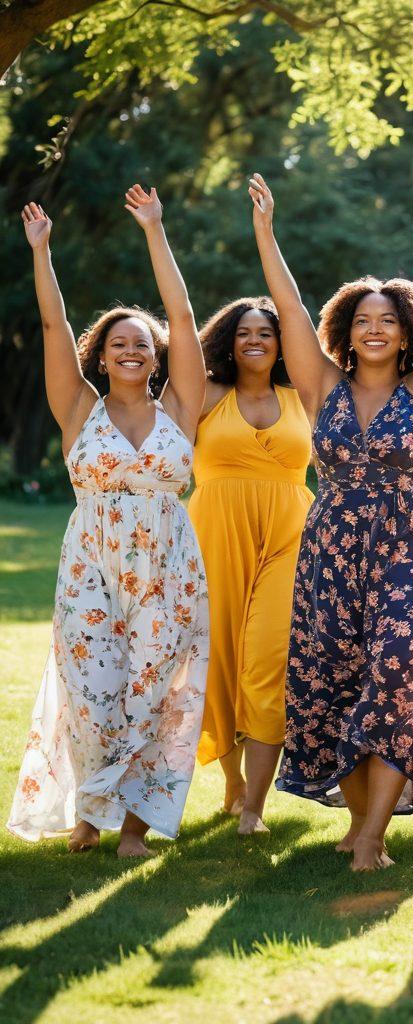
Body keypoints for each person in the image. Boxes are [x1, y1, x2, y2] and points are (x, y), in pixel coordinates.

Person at [248, 173, 413, 871]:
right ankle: (360, 820)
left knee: (399, 671)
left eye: (387, 320)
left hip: (410, 542)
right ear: (348, 330)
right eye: (363, 319)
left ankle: (371, 836)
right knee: (331, 674)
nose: (374, 328)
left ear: (406, 333)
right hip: (332, 542)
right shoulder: (323, 387)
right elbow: (288, 306)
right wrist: (267, 231)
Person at [8, 187, 208, 857]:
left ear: (156, 357)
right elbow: (51, 325)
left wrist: (156, 228)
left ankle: (132, 830)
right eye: (119, 343)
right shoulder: (77, 409)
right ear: (103, 355)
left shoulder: (182, 405)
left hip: (166, 566)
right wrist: (42, 252)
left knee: (152, 690)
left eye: (142, 344)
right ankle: (85, 816)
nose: (132, 350)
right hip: (90, 562)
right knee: (91, 691)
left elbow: (180, 314)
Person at [189, 296, 314, 834]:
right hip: (213, 534)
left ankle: (255, 809)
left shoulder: (302, 398)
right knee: (218, 658)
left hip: (291, 536)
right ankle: (233, 783)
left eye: (266, 331)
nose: (255, 340)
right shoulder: (207, 395)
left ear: (282, 342)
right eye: (244, 332)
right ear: (227, 341)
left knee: (268, 660)